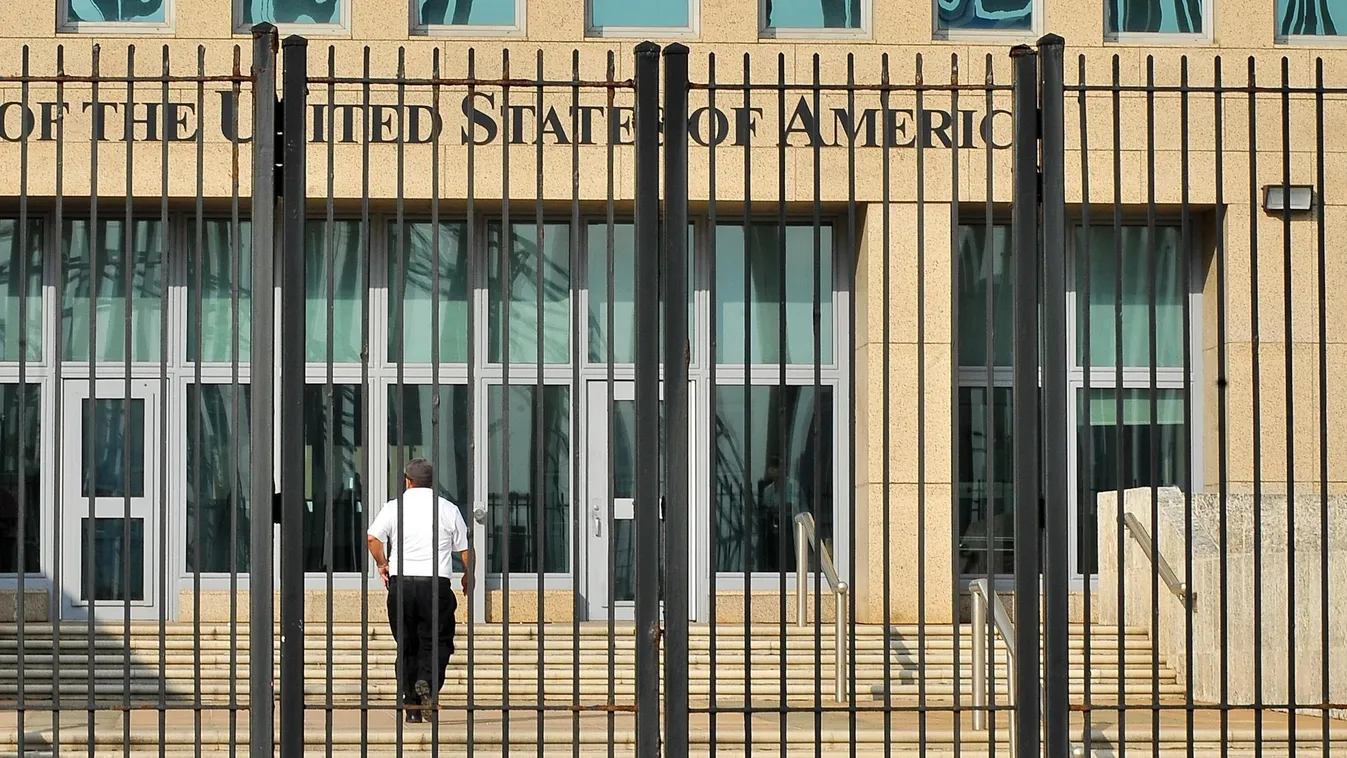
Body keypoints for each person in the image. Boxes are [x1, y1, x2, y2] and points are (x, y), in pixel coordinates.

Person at [366, 458, 473, 724]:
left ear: (407, 481)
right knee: (438, 641)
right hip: (435, 584)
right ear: (431, 481)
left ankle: (411, 707)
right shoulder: (447, 508)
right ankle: (428, 683)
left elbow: (373, 538)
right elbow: (465, 549)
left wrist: (382, 564)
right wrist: (468, 575)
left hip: (402, 584)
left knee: (407, 644)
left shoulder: (394, 507)